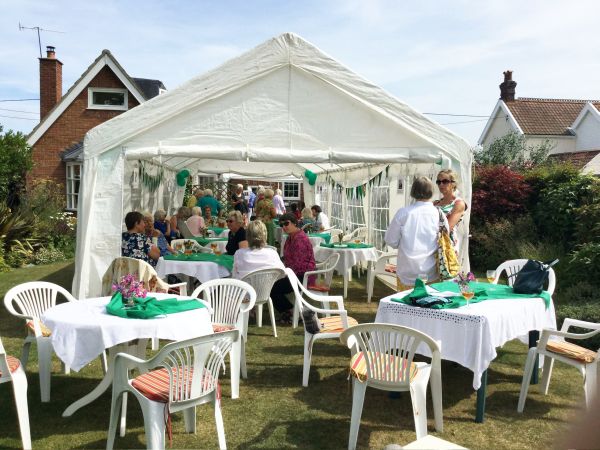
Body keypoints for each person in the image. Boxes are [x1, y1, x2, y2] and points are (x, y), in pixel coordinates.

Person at [384, 176, 447, 291]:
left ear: (413, 192)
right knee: (430, 306)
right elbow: (446, 239)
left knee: (406, 306)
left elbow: (390, 240)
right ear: (432, 192)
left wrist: (405, 243)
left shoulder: (403, 213)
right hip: (432, 271)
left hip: (407, 270)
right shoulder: (439, 213)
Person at [270, 213, 316, 324]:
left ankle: (291, 312)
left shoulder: (300, 239)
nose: (284, 227)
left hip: (304, 275)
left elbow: (298, 264)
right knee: (271, 284)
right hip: (294, 273)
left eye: (286, 223)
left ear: (295, 223)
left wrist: (283, 272)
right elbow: (286, 258)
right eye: (282, 225)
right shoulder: (291, 238)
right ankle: (290, 312)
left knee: (273, 287)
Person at [433, 169, 467, 253]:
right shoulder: (435, 203)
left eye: (445, 181)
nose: (441, 184)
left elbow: (448, 227)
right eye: (438, 182)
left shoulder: (458, 203)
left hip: (448, 246)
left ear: (453, 184)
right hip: (433, 244)